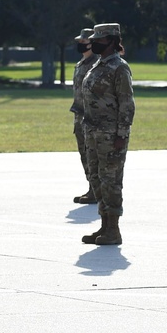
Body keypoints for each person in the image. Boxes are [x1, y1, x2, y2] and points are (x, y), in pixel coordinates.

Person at [80, 23, 135, 247]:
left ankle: (113, 229)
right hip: (93, 133)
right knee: (96, 178)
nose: (94, 43)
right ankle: (104, 225)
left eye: (99, 39)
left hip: (111, 135)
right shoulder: (98, 65)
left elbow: (127, 103)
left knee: (111, 181)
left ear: (111, 41)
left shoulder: (119, 67)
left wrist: (121, 133)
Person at [70, 27, 97, 204]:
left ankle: (96, 190)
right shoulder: (81, 64)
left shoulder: (97, 64)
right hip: (79, 114)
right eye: (79, 42)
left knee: (93, 154)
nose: (81, 44)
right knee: (84, 153)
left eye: (84, 41)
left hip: (91, 117)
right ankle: (91, 188)